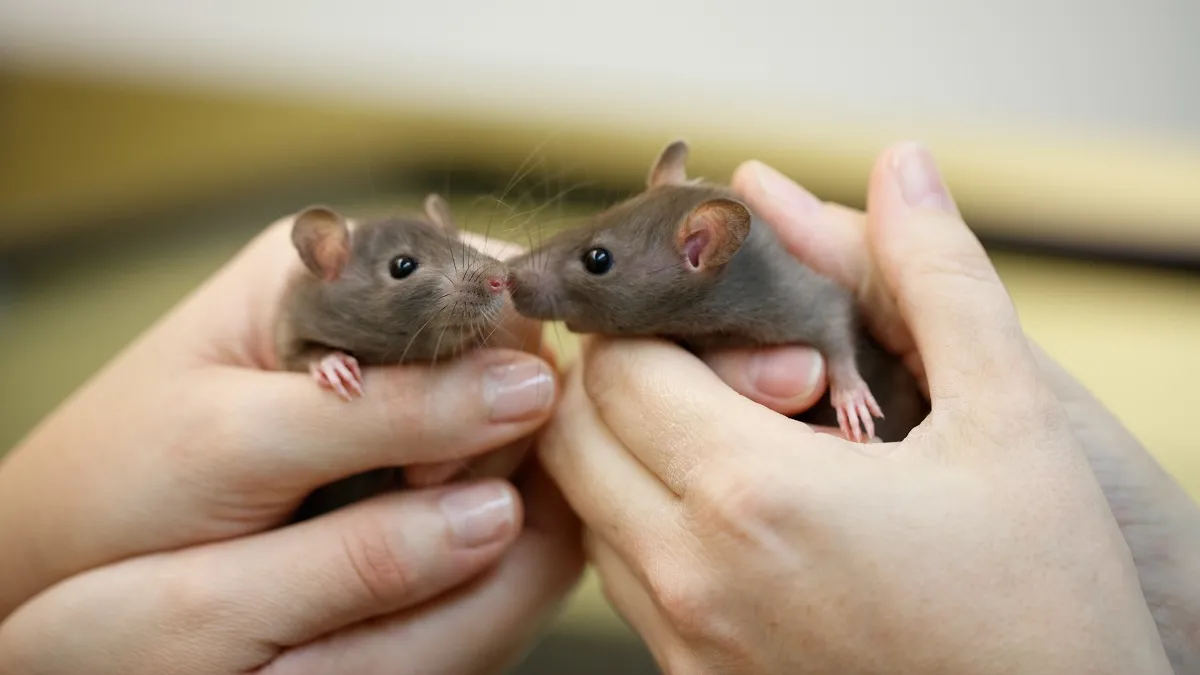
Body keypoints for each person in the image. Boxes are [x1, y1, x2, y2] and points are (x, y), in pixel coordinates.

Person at [0, 142, 1195, 674]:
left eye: (598, 269)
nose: (520, 275)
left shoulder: (772, 277)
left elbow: (833, 316)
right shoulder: (322, 312)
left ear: (701, 244)